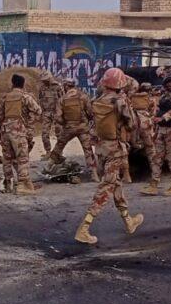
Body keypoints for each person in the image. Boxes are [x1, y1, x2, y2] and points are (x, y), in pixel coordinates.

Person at [73, 67, 144, 244]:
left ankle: (129, 221)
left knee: (116, 184)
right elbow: (133, 124)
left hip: (102, 149)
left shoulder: (96, 100)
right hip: (115, 150)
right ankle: (85, 227)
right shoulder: (120, 101)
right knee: (106, 187)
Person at [0, 73, 42, 195]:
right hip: (19, 131)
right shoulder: (26, 97)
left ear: (12, 84)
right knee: (22, 158)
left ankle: (8, 184)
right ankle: (22, 186)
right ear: (23, 84)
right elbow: (38, 111)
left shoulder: (5, 97)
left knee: (7, 159)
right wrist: (30, 123)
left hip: (5, 131)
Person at [143, 74, 171, 196]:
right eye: (167, 82)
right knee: (157, 158)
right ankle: (154, 184)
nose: (169, 84)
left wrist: (163, 118)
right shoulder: (162, 94)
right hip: (161, 130)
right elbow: (156, 109)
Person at [48, 77, 97, 180]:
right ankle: (94, 174)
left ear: (66, 86)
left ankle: (48, 166)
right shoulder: (83, 96)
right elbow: (90, 112)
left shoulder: (62, 99)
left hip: (68, 129)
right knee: (88, 150)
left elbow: (58, 117)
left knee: (59, 146)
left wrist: (65, 123)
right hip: (83, 128)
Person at [129, 81, 157, 174]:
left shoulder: (131, 97)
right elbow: (153, 114)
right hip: (146, 125)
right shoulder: (151, 99)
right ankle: (154, 170)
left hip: (133, 125)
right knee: (150, 147)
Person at [37, 70, 63, 158]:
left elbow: (62, 100)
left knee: (59, 133)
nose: (44, 81)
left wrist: (61, 113)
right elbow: (40, 100)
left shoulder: (58, 87)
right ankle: (48, 151)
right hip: (46, 113)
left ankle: (59, 152)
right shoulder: (42, 88)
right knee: (44, 133)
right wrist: (41, 112)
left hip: (56, 112)